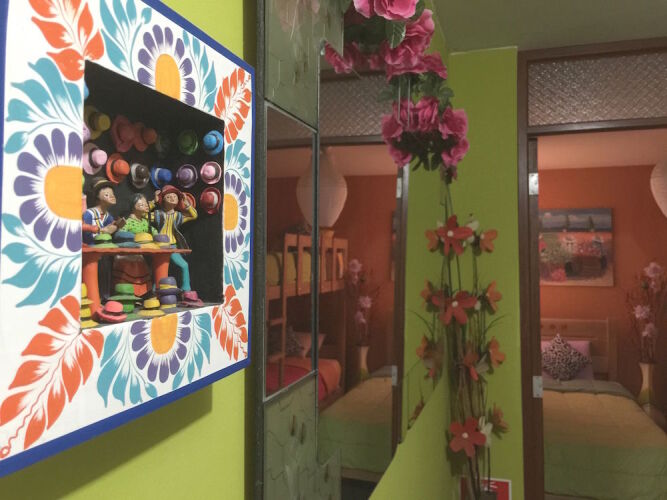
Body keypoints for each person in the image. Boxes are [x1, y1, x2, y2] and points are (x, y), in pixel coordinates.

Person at [151, 185, 197, 291]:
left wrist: (187, 204)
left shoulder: (178, 216)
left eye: (175, 196)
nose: (172, 198)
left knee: (184, 265)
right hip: (159, 247)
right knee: (160, 269)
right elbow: (144, 215)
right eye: (169, 196)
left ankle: (186, 289)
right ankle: (155, 290)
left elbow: (193, 216)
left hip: (172, 246)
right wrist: (154, 201)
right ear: (162, 200)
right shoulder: (158, 214)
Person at [83, 178, 123, 244]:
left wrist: (116, 227)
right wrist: (103, 230)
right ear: (97, 196)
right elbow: (85, 232)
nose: (112, 197)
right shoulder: (89, 214)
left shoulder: (108, 216)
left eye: (113, 194)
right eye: (107, 194)